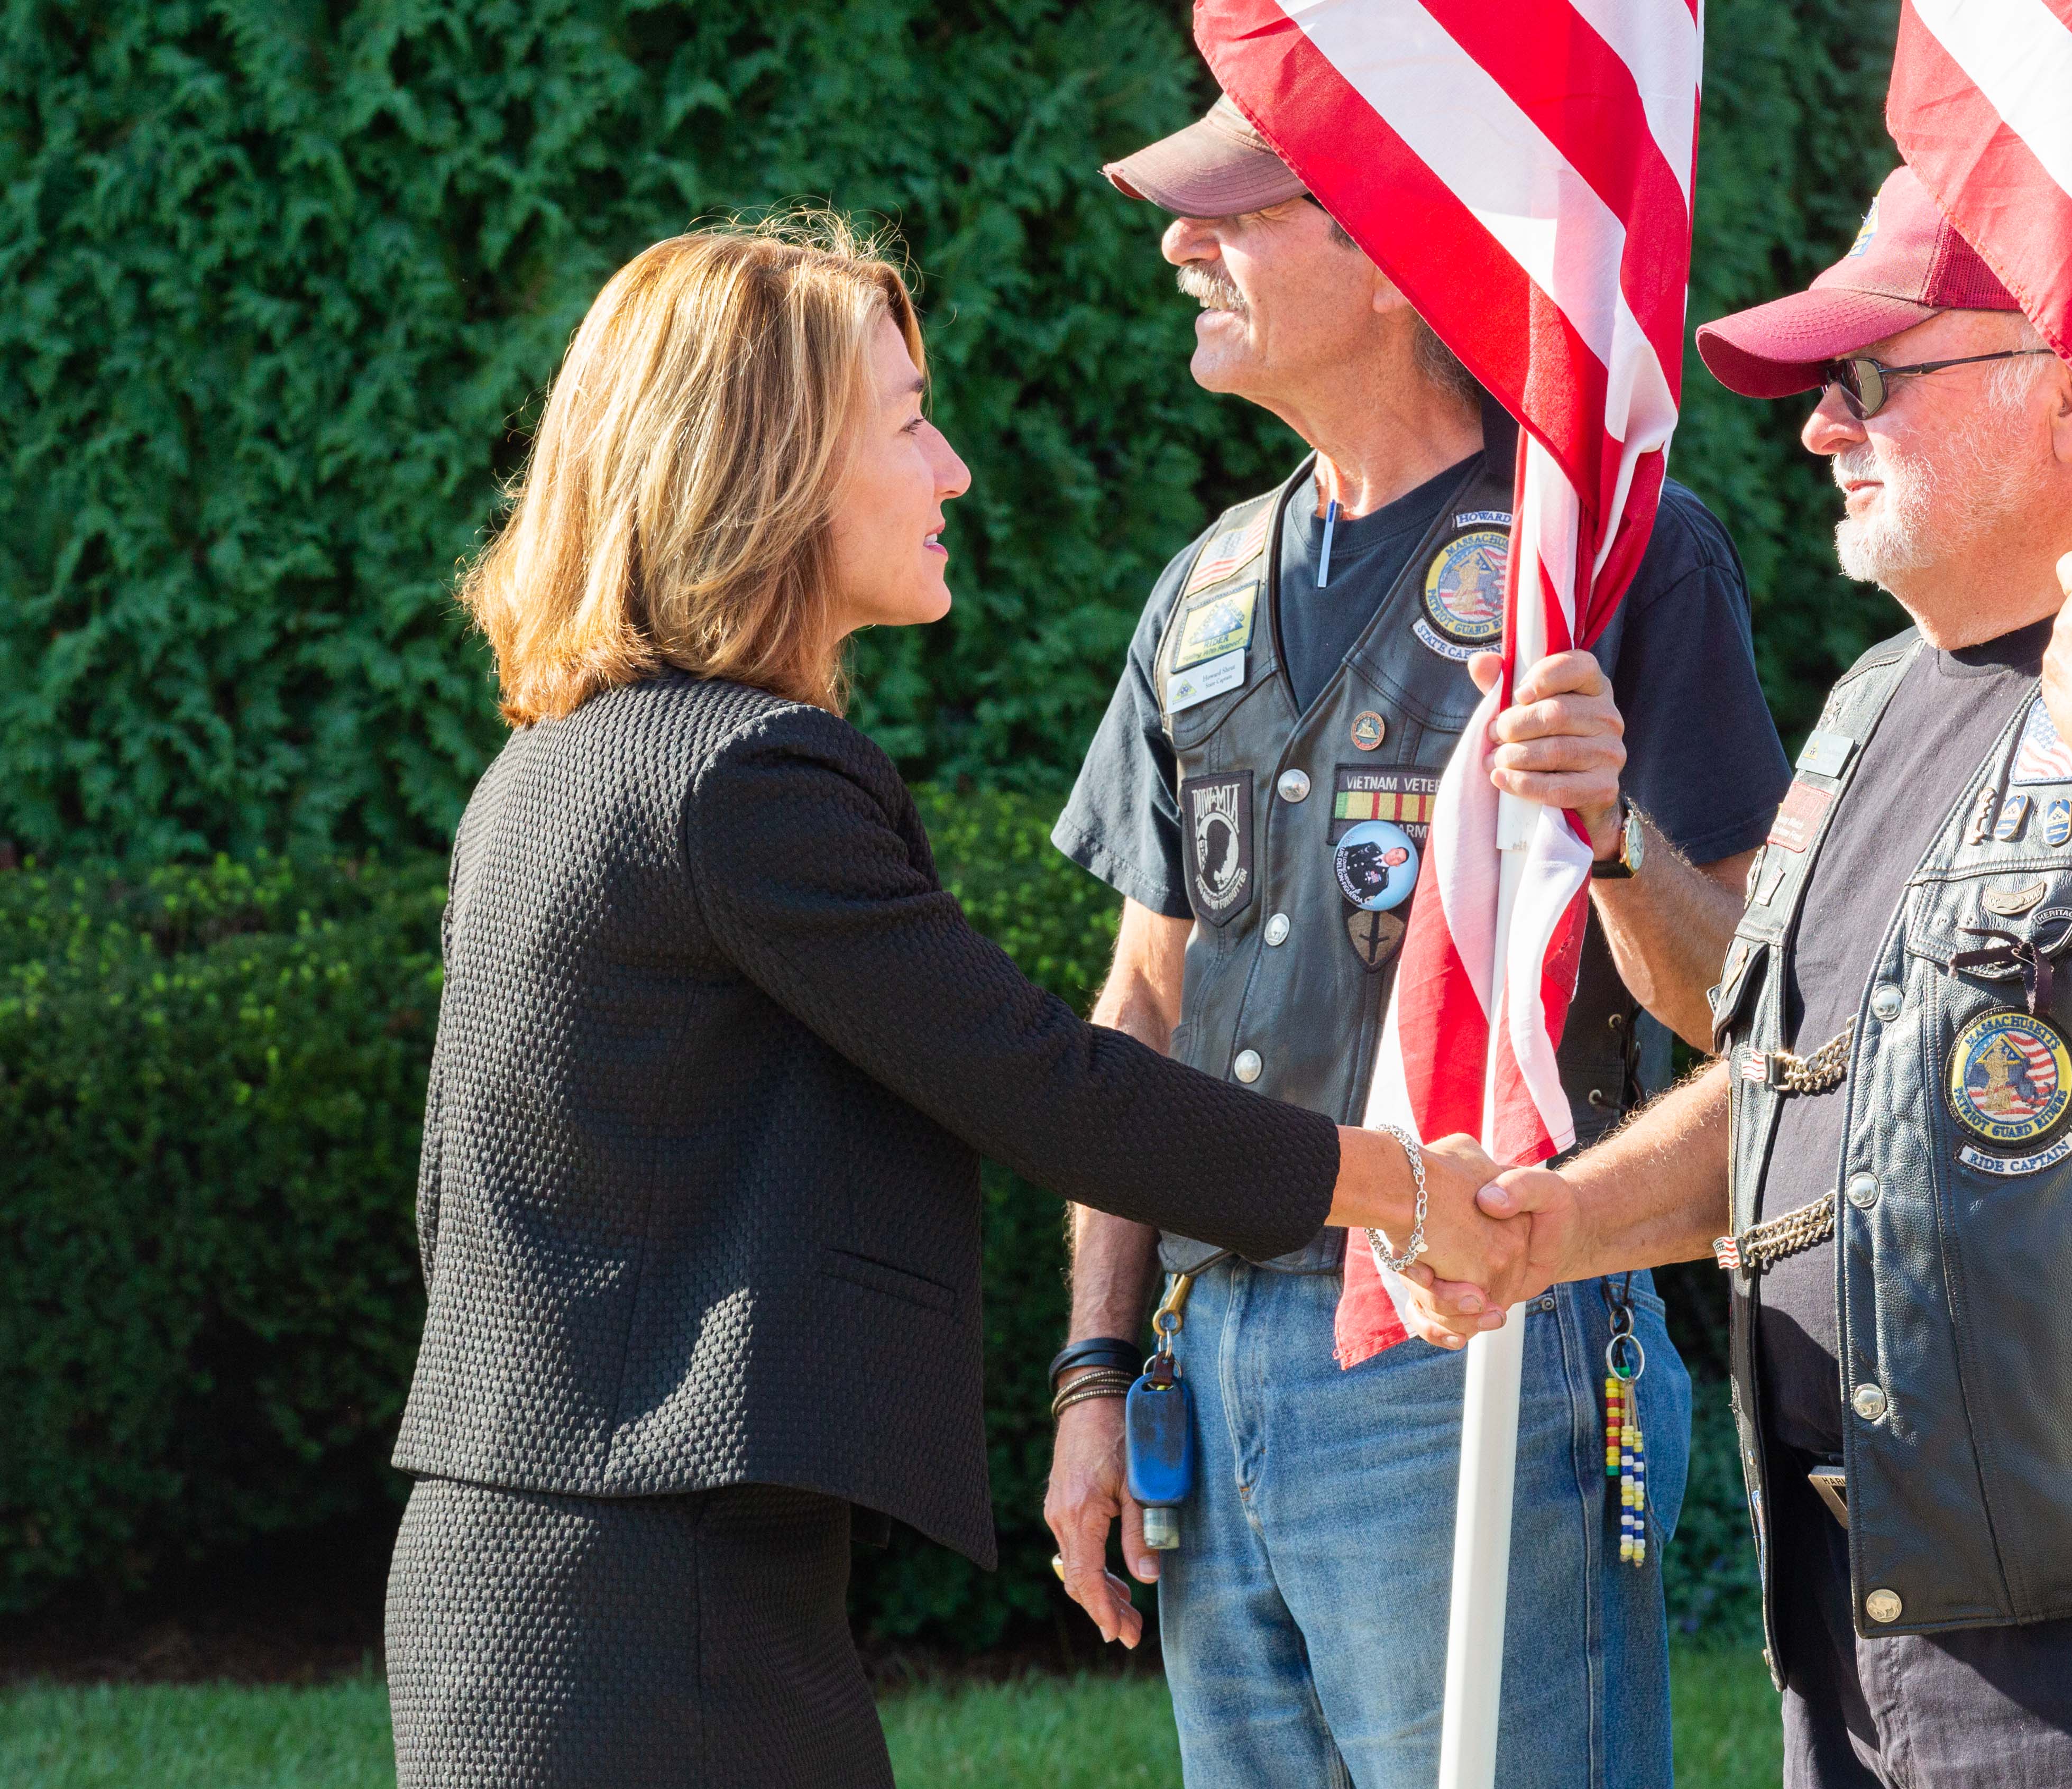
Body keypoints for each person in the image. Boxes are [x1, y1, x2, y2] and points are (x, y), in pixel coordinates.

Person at [381, 213, 1542, 1789]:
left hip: (550, 1561)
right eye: (910, 422)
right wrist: (1402, 1186)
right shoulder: (749, 781)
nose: (953, 474)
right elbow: (1046, 1085)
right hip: (645, 1602)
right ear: (770, 465)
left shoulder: (554, 768)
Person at [1443, 169, 2072, 1789]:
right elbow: (1805, 1084)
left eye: (1869, 381)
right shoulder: (1872, 701)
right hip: (1865, 1610)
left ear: (2070, 392)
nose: (1823, 429)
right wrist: (1574, 1221)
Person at [1041, 93, 1793, 1788]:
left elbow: (1747, 999)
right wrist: (1097, 1367)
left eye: (1232, 211)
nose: (1177, 245)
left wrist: (1607, 837)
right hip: (1209, 1362)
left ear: (1388, 246)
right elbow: (1141, 1006)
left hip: (1473, 1343)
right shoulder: (1207, 585)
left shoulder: (1597, 557)